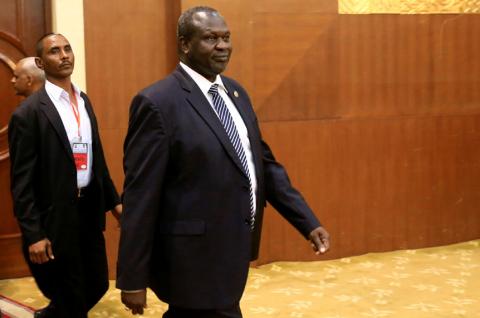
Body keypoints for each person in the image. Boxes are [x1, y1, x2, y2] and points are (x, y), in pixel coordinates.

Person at [117, 6, 330, 318]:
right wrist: (132, 278)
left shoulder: (236, 93)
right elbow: (140, 196)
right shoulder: (158, 103)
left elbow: (263, 165)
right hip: (192, 258)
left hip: (231, 249)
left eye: (226, 37)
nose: (222, 46)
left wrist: (306, 221)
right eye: (210, 38)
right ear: (185, 44)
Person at [8, 33, 122, 318]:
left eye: (67, 49)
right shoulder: (29, 113)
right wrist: (34, 234)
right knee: (70, 292)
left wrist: (116, 204)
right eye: (55, 51)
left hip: (88, 211)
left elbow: (97, 162)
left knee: (96, 283)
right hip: (55, 217)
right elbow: (21, 183)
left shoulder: (84, 101)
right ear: (41, 62)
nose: (64, 55)